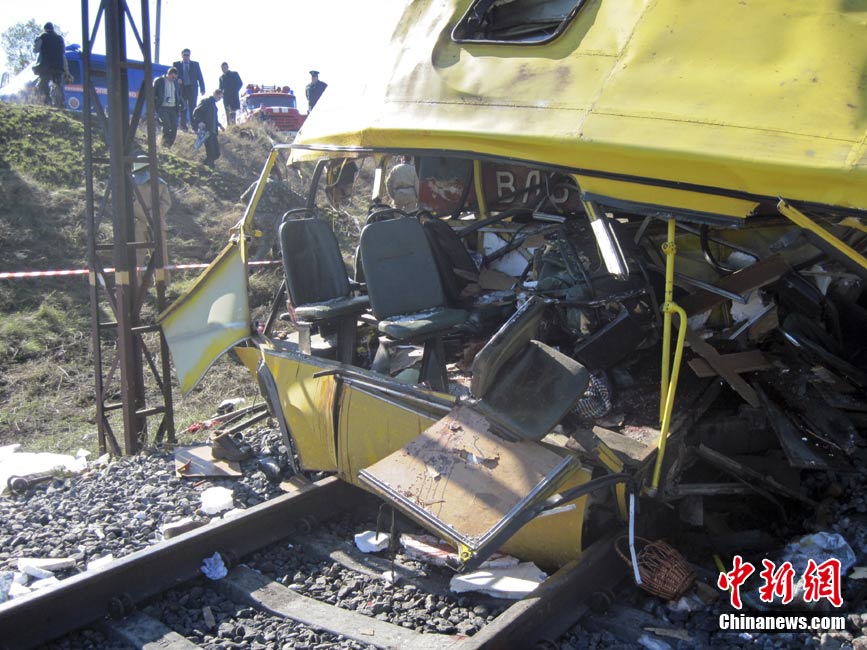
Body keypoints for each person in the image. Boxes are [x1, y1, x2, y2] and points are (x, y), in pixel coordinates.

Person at [33, 22, 68, 107]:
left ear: (45, 29)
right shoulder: (60, 38)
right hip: (58, 67)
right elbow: (63, 54)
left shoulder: (42, 36)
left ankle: (46, 103)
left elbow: (35, 50)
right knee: (58, 86)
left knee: (43, 85)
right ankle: (60, 104)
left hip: (46, 66)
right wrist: (66, 70)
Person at [172, 48, 205, 130]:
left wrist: (202, 88)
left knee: (193, 107)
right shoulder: (176, 64)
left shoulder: (195, 64)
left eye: (187, 55)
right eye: (184, 55)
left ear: (190, 55)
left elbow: (200, 76)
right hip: (182, 89)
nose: (186, 57)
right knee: (183, 106)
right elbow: (172, 75)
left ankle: (194, 126)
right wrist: (177, 79)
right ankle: (183, 126)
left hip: (192, 88)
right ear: (182, 55)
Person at [193, 89, 223, 168]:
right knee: (211, 152)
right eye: (219, 97)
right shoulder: (206, 102)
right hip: (206, 130)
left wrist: (219, 125)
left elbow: (214, 119)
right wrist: (200, 121)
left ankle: (205, 163)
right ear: (215, 94)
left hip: (213, 132)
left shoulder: (214, 106)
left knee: (217, 153)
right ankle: (209, 167)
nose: (220, 99)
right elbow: (196, 112)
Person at [153, 67, 182, 147]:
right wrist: (154, 106)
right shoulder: (159, 81)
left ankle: (169, 144)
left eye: (175, 77)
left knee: (174, 127)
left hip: (173, 108)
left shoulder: (176, 83)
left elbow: (179, 95)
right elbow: (153, 93)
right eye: (172, 77)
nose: (173, 79)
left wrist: (182, 104)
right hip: (163, 107)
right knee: (167, 125)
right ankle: (164, 142)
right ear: (168, 74)